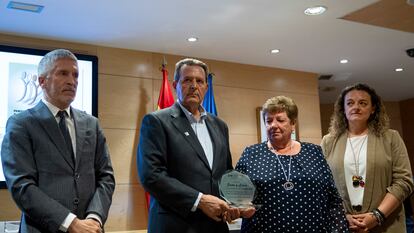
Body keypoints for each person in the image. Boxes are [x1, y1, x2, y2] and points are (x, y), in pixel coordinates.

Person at [1, 49, 115, 233]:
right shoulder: (21, 124)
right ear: (42, 81)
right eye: (63, 73)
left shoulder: (91, 124)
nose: (72, 81)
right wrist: (71, 223)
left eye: (76, 75)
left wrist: (95, 217)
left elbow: (106, 177)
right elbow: (22, 186)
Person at [137, 58, 251, 233]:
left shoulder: (220, 126)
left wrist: (236, 203)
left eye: (199, 81)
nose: (193, 86)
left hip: (215, 227)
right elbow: (151, 176)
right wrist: (200, 201)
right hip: (175, 226)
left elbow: (225, 174)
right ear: (175, 85)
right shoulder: (156, 121)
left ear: (206, 87)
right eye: (187, 80)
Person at [236, 96, 348, 232]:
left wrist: (339, 229)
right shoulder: (251, 154)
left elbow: (333, 199)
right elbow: (236, 195)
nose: (273, 125)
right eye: (268, 121)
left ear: (293, 123)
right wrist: (240, 207)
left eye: (280, 120)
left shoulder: (314, 152)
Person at [321, 83, 414, 232]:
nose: (356, 107)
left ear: (373, 109)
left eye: (363, 103)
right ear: (343, 109)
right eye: (350, 103)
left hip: (386, 225)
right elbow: (324, 185)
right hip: (344, 226)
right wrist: (342, 216)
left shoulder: (391, 138)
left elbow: (404, 181)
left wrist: (378, 216)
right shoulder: (328, 141)